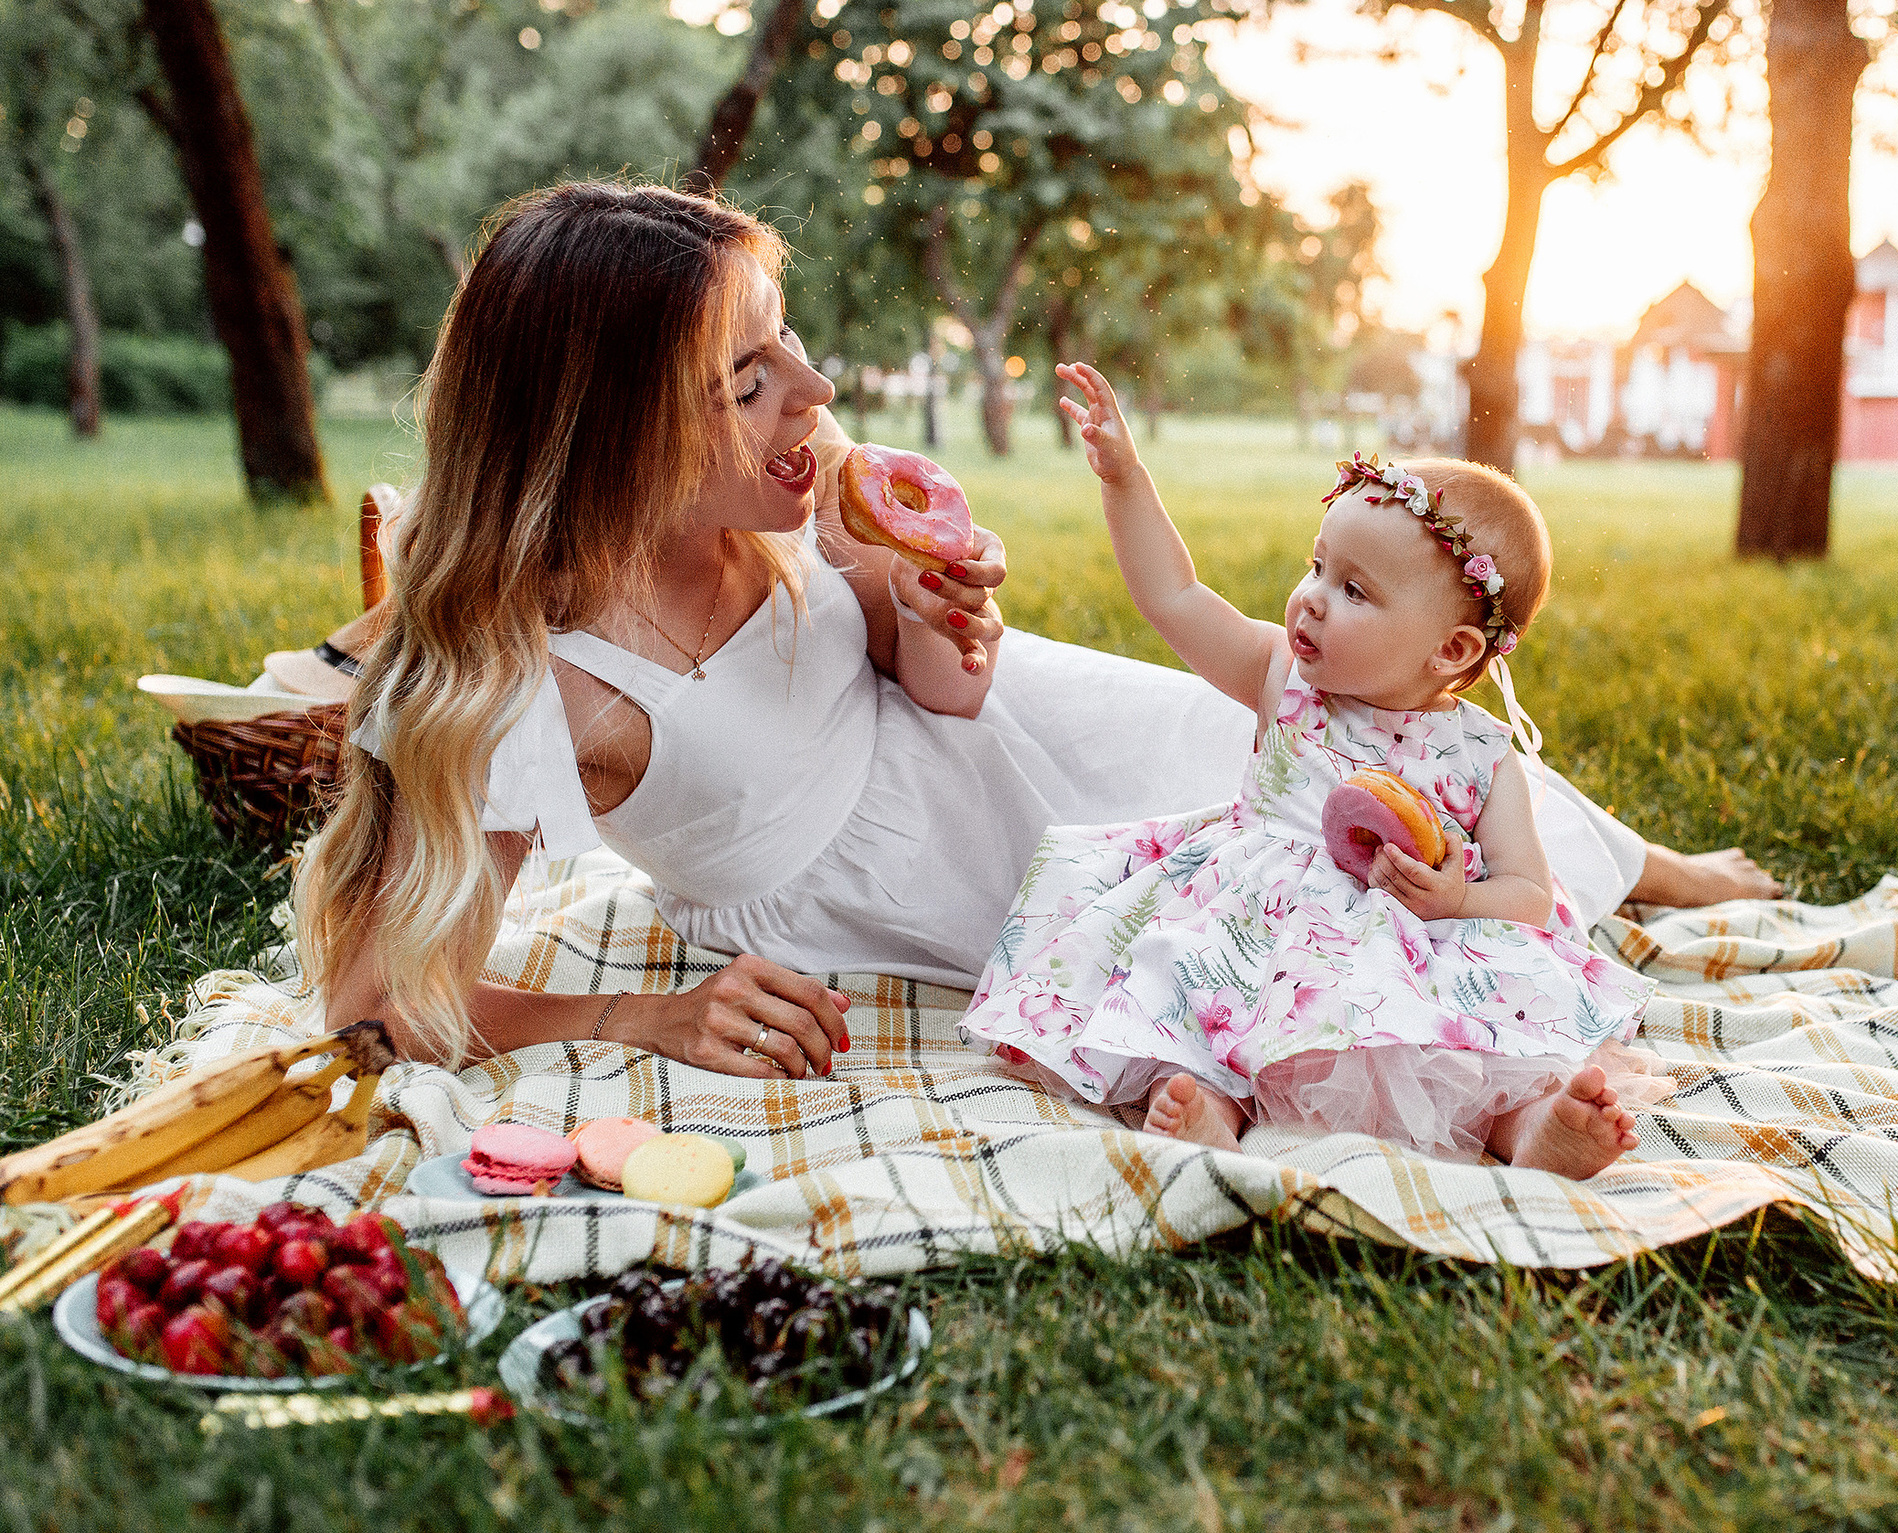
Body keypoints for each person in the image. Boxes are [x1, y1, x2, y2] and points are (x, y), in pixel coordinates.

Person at [295, 181, 1773, 1084]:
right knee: (1294, 927)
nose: (811, 390)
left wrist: (944, 616)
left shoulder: (783, 497)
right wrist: (642, 1019)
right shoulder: (540, 689)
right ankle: (1590, 903)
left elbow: (932, 687)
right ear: (608, 433)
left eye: (789, 339)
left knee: (1315, 744)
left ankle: (1641, 863)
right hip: (910, 869)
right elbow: (374, 1001)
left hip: (1014, 730)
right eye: (749, 378)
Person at [960, 366, 1658, 1177]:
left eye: (1354, 588)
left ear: (1453, 651)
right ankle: (1209, 1110)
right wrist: (1126, 479)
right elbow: (1174, 595)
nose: (1312, 599)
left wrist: (1456, 899)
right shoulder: (1281, 676)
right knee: (1207, 998)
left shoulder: (1480, 752)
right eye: (1317, 565)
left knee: (1477, 1056)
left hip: (1411, 943)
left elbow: (1530, 893)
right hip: (1261, 924)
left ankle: (1535, 1128)